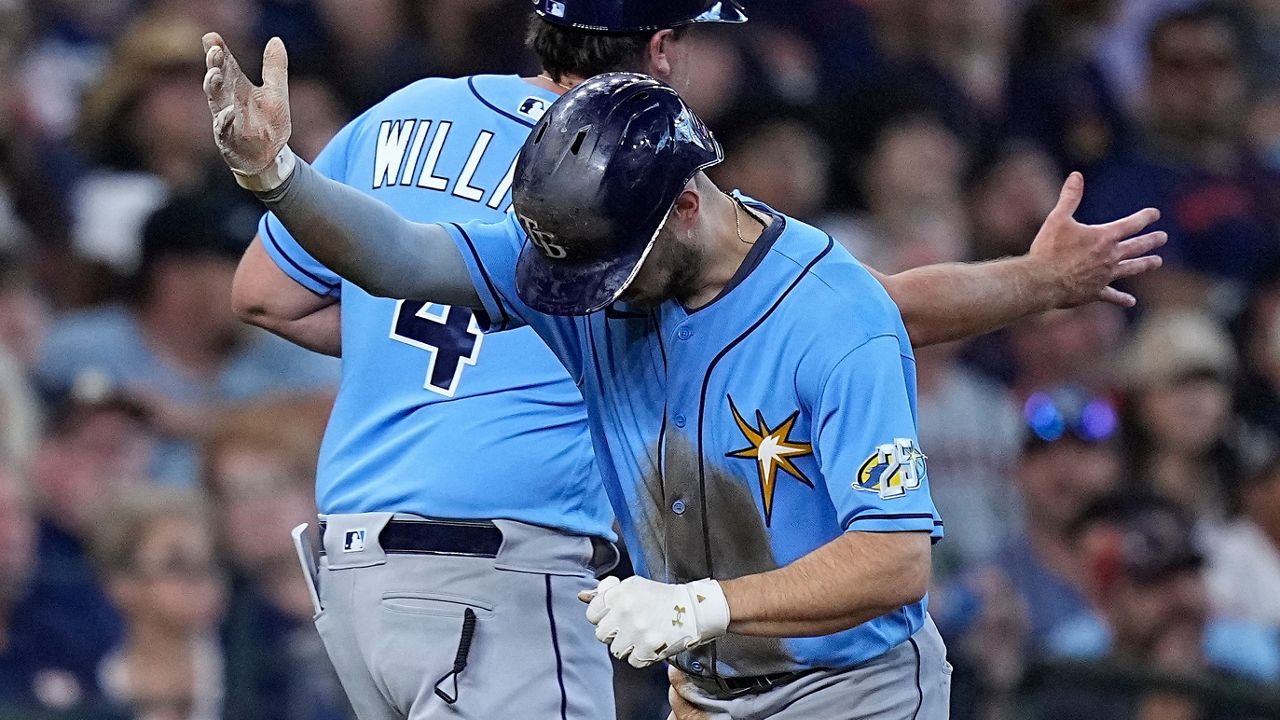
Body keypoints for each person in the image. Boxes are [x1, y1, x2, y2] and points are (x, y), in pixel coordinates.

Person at [219, 3, 1165, 719]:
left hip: (846, 691)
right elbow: (404, 259)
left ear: (679, 206)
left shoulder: (828, 309)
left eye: (615, 272)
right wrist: (278, 179)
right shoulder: (580, 247)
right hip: (682, 671)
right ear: (662, 49)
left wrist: (703, 606)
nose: (595, 296)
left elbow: (895, 561)